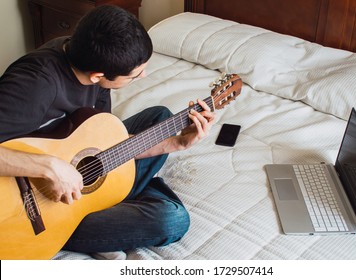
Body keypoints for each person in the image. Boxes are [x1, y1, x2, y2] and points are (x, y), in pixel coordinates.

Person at [0, 5, 215, 259]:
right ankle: (101, 213)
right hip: (34, 214)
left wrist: (177, 143)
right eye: (134, 76)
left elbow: (105, 143)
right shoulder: (33, 84)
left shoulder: (87, 58)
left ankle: (116, 195)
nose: (143, 75)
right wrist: (49, 167)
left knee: (161, 117)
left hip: (69, 165)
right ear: (97, 75)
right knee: (171, 219)